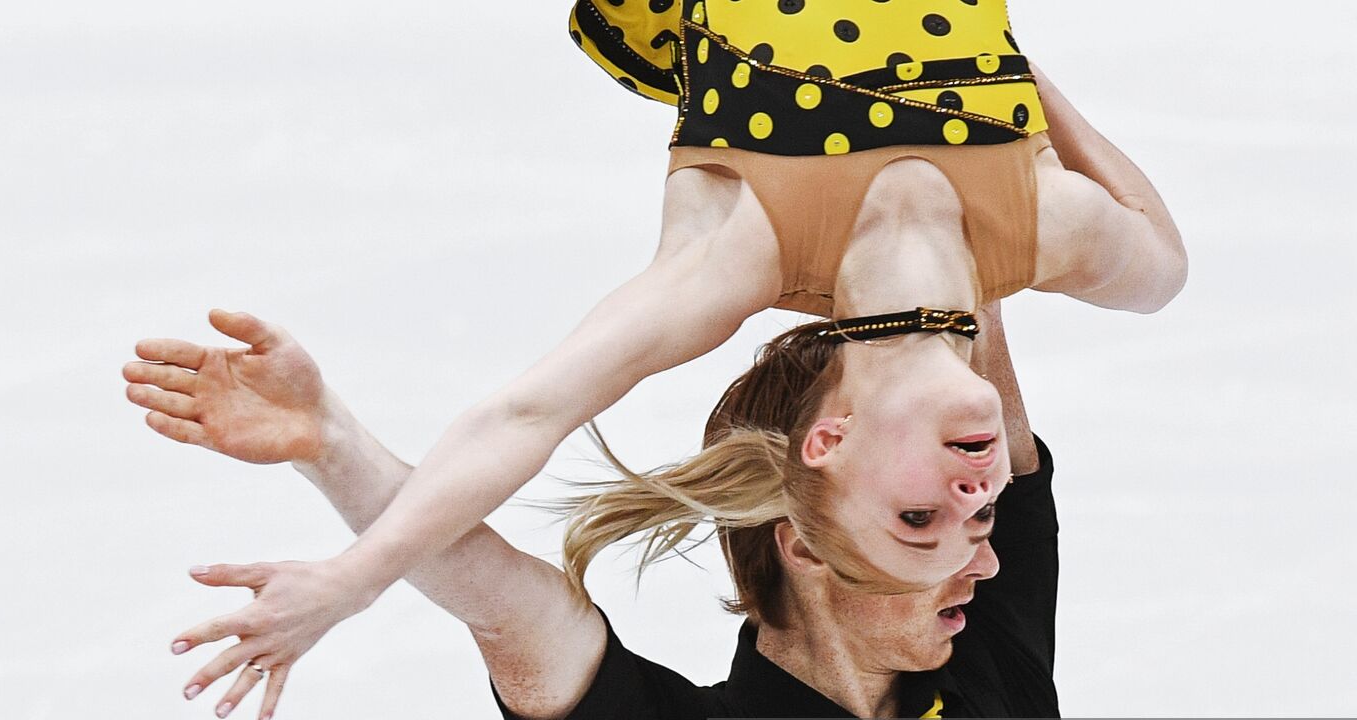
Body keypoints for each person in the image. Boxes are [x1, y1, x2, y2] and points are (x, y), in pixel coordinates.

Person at [124, 2, 1185, 636]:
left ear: (829, 443)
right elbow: (1165, 263)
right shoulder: (1041, 225)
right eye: (980, 518)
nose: (970, 501)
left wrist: (355, 579)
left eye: (917, 518)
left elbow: (523, 416)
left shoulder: (740, 254)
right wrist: (1017, 71)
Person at [124, 304, 1087, 720]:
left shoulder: (982, 664)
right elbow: (507, 604)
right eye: (925, 514)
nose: (987, 557)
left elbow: (972, 360)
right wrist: (329, 442)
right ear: (805, 544)